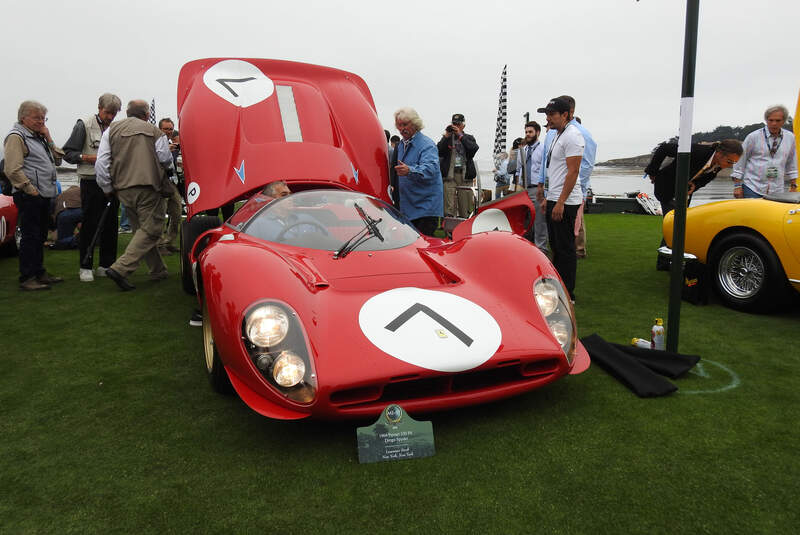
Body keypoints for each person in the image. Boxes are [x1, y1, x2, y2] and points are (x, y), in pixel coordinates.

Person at [95, 100, 175, 291]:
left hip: (123, 188)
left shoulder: (111, 130)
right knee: (152, 230)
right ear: (147, 115)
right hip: (148, 186)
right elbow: (165, 158)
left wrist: (107, 187)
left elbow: (101, 162)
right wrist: (170, 174)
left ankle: (158, 270)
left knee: (141, 229)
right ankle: (121, 268)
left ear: (128, 112)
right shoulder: (154, 131)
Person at [3, 100, 64, 290]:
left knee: (39, 235)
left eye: (43, 118)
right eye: (37, 118)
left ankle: (39, 272)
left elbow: (58, 160)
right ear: (24, 118)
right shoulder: (16, 136)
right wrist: (31, 190)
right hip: (30, 195)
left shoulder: (38, 137)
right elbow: (12, 169)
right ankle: (27, 277)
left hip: (43, 194)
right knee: (30, 236)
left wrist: (49, 137)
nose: (41, 122)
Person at [62, 93, 122, 281]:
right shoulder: (84, 125)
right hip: (90, 181)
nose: (110, 117)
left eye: (114, 113)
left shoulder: (115, 128)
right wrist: (89, 158)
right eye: (107, 113)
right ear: (99, 108)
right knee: (90, 223)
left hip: (112, 182)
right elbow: (68, 153)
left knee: (111, 224)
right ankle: (85, 266)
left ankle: (106, 264)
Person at [536, 97, 585, 301]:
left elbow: (573, 172)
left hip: (567, 201)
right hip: (555, 196)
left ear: (566, 115)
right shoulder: (558, 134)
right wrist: (549, 197)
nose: (548, 119)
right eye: (547, 114)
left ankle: (568, 293)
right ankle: (558, 286)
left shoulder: (573, 136)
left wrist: (562, 201)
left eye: (552, 114)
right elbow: (555, 169)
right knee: (556, 246)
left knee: (565, 248)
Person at [645, 139, 743, 216]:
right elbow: (664, 148)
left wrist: (695, 185)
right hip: (666, 186)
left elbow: (707, 178)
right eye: (729, 162)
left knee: (679, 225)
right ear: (719, 154)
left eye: (734, 163)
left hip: (684, 193)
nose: (730, 165)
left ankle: (672, 242)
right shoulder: (697, 151)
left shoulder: (719, 164)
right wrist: (652, 171)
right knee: (676, 225)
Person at [391, 107, 443, 236]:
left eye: (405, 124)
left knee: (422, 246)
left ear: (415, 124)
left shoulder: (427, 145)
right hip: (407, 206)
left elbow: (431, 169)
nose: (401, 128)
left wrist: (410, 170)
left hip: (425, 208)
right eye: (399, 125)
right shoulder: (401, 145)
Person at [731, 105, 798, 198]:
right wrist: (737, 186)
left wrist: (793, 185)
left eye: (778, 120)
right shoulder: (753, 137)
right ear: (766, 120)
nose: (774, 123)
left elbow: (792, 163)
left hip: (777, 190)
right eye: (771, 120)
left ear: (784, 121)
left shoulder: (790, 137)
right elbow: (740, 161)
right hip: (752, 187)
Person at [559, 96, 597, 259]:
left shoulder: (581, 134)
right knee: (570, 220)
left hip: (574, 186)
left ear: (568, 112)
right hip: (562, 185)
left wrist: (576, 184)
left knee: (576, 220)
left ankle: (579, 250)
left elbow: (587, 164)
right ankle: (569, 248)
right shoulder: (561, 133)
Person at [438, 113, 479, 218]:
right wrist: (446, 136)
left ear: (463, 125)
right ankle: (449, 231)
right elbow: (438, 151)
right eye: (454, 123)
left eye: (458, 124)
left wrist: (460, 135)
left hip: (464, 176)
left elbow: (473, 149)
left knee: (465, 208)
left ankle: (464, 228)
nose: (455, 125)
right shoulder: (447, 138)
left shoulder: (469, 138)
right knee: (448, 208)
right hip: (450, 176)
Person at [156, 118, 182, 255]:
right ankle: (159, 245)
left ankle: (169, 242)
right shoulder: (154, 143)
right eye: (166, 129)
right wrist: (167, 149)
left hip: (172, 182)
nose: (169, 132)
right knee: (160, 214)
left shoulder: (172, 143)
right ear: (159, 129)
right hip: (159, 182)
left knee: (177, 213)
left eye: (171, 129)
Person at [519, 121, 544, 249]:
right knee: (526, 221)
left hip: (537, 189)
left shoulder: (543, 149)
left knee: (539, 221)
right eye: (526, 132)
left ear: (537, 133)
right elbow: (519, 169)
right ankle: (527, 247)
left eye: (530, 132)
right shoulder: (523, 150)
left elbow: (545, 170)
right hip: (524, 190)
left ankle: (541, 249)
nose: (527, 134)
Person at [51, 185, 82, 249]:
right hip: (80, 210)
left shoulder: (61, 195)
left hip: (64, 214)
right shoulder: (80, 191)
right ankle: (80, 238)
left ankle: (76, 239)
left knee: (61, 241)